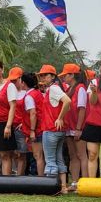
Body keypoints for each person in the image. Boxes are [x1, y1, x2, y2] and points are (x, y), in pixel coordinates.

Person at [37, 65, 72, 193]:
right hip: (57, 130)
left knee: (50, 160)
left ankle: (51, 188)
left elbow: (67, 101)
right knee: (58, 158)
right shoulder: (53, 89)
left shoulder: (53, 89)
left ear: (52, 76)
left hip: (51, 129)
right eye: (41, 75)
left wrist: (60, 118)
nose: (43, 77)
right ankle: (63, 186)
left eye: (46, 75)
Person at [59, 64, 88, 183]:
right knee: (73, 155)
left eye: (65, 75)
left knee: (82, 155)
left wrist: (78, 128)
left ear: (71, 75)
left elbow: (82, 108)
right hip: (68, 126)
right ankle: (75, 182)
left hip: (77, 126)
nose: (63, 78)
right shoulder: (68, 89)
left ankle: (86, 182)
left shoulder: (80, 88)